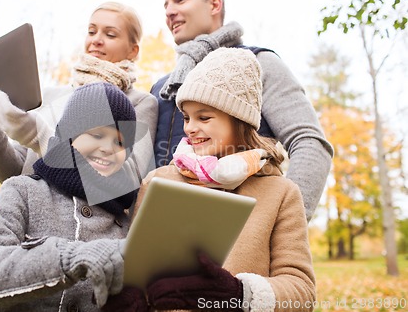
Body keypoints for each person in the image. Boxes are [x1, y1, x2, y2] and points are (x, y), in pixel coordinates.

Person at [104, 48, 316, 312]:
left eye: (203, 117)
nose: (190, 128)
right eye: (186, 117)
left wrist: (240, 293)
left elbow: (302, 291)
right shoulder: (159, 181)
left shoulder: (281, 193)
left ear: (238, 121)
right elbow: (131, 263)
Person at [151, 0, 333, 222]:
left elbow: (309, 142)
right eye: (165, 6)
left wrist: (284, 225)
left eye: (180, 0)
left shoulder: (260, 63)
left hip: (241, 239)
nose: (169, 11)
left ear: (214, 4)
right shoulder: (162, 87)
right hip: (164, 232)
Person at [0, 82, 140, 312]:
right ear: (68, 134)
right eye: (97, 133)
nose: (108, 148)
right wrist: (69, 258)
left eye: (120, 142)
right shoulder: (23, 191)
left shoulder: (127, 222)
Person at [0, 1, 157, 183]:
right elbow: (15, 174)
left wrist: (40, 138)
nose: (96, 40)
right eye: (91, 31)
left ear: (133, 50)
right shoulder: (49, 96)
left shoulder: (140, 102)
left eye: (110, 34)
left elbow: (129, 180)